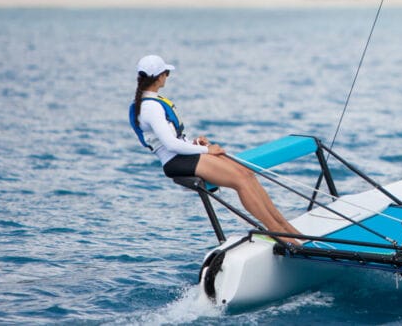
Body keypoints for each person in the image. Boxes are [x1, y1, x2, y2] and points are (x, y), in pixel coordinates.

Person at [129, 54, 302, 243]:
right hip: (176, 162)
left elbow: (173, 140)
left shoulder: (152, 102)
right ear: (160, 76)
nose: (167, 77)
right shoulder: (150, 108)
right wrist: (207, 150)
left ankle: (285, 226)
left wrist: (194, 144)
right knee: (240, 181)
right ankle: (276, 230)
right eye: (167, 73)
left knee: (246, 172)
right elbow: (170, 145)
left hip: (183, 155)